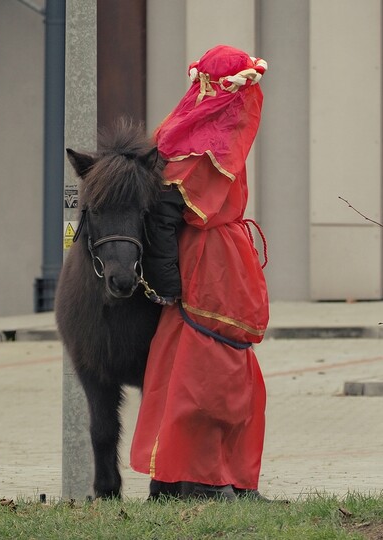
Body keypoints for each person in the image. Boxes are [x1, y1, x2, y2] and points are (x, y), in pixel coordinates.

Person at [130, 45, 270, 501]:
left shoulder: (204, 144)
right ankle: (189, 478)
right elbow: (163, 220)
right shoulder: (197, 152)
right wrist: (167, 282)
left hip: (223, 265)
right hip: (202, 272)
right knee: (198, 372)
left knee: (228, 371)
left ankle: (228, 475)